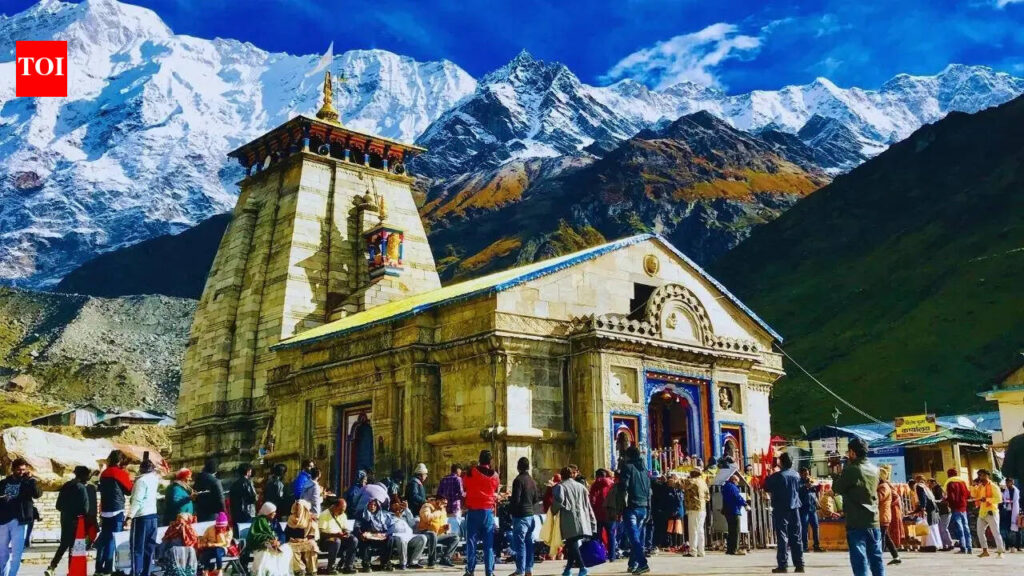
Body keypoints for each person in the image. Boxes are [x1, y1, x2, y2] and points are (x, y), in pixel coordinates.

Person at [833, 437, 884, 576]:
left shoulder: (852, 470)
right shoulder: (875, 469)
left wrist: (836, 474)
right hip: (873, 520)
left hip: (856, 521)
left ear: (853, 452)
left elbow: (837, 488)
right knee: (876, 557)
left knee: (860, 560)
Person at [44, 465, 91, 576]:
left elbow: (58, 505)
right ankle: (71, 571)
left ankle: (52, 567)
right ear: (84, 476)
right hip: (76, 521)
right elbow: (85, 509)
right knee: (73, 547)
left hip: (65, 519)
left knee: (64, 544)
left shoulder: (66, 485)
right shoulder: (81, 488)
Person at [551, 466, 596, 576]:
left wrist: (552, 511)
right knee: (572, 543)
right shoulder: (581, 487)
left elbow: (559, 500)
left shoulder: (561, 487)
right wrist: (592, 521)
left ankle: (582, 567)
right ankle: (567, 570)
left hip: (569, 518)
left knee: (572, 543)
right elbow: (587, 504)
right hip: (582, 518)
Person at [764, 452, 804, 574]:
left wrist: (769, 474)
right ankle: (799, 564)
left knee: (782, 536)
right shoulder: (796, 475)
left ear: (780, 462)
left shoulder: (778, 476)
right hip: (795, 508)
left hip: (781, 508)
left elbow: (767, 487)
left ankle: (783, 564)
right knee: (796, 536)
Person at [0, 457, 41, 576]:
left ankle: (12, 574)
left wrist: (31, 480)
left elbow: (37, 494)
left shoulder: (28, 482)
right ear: (13, 469)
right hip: (3, 520)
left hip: (20, 521)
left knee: (17, 553)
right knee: (2, 552)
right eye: (19, 470)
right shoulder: (4, 483)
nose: (21, 472)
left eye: (23, 470)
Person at [463, 450, 501, 576]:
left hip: (473, 511)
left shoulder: (470, 472)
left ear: (479, 459)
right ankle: (489, 571)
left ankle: (470, 570)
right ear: (490, 461)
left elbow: (465, 486)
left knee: (471, 542)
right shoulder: (495, 475)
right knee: (488, 544)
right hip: (487, 512)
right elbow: (495, 489)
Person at [96, 450, 133, 575]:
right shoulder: (120, 473)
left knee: (104, 539)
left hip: (105, 509)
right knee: (113, 539)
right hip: (117, 510)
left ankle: (98, 569)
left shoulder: (104, 473)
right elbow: (129, 490)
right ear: (119, 461)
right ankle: (108, 569)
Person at [619, 446, 651, 575]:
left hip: (631, 506)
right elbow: (649, 491)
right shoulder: (645, 470)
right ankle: (632, 564)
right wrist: (649, 508)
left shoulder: (627, 467)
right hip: (643, 507)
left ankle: (643, 564)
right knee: (636, 537)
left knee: (634, 538)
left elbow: (623, 487)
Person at [129, 457, 162, 576]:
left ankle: (136, 573)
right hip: (153, 516)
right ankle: (146, 573)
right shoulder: (154, 479)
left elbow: (137, 500)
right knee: (149, 548)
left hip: (141, 517)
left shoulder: (141, 481)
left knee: (137, 549)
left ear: (141, 469)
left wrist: (129, 516)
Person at [509, 457, 539, 576]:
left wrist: (511, 511)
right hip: (530, 515)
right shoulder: (532, 481)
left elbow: (515, 499)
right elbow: (536, 499)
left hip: (520, 516)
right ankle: (528, 569)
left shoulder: (518, 480)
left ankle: (520, 570)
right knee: (529, 543)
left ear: (518, 467)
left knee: (520, 544)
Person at [248, 502, 294, 576]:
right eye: (273, 512)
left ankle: (280, 573)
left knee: (287, 549)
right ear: (267, 512)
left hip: (275, 544)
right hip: (262, 546)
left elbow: (282, 534)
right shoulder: (259, 521)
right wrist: (268, 541)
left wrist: (279, 542)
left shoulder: (275, 521)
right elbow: (254, 536)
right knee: (265, 553)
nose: (275, 514)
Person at [320, 497, 359, 574]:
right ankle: (331, 568)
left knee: (354, 540)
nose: (342, 512)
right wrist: (335, 535)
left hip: (339, 538)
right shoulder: (324, 515)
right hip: (327, 540)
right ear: (335, 506)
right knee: (336, 541)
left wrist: (346, 533)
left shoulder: (343, 514)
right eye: (340, 510)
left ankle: (348, 566)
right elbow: (322, 534)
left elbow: (345, 528)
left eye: (343, 510)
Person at [417, 496, 458, 567]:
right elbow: (426, 518)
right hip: (425, 533)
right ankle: (432, 560)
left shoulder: (443, 510)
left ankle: (445, 558)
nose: (445, 505)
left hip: (438, 534)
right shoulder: (427, 506)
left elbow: (442, 524)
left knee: (455, 537)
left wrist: (446, 528)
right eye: (443, 503)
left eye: (446, 504)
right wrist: (438, 512)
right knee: (432, 534)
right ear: (438, 501)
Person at [972, 469, 1005, 558]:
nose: (981, 477)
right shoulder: (980, 487)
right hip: (982, 512)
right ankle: (985, 551)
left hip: (991, 512)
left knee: (995, 532)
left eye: (983, 475)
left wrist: (987, 499)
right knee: (980, 532)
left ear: (987, 476)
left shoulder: (993, 486)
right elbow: (973, 495)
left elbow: (999, 499)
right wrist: (974, 486)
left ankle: (1000, 552)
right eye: (980, 475)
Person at [387, 498, 427, 569]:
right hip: (396, 535)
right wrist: (396, 517)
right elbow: (386, 525)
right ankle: (403, 563)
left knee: (422, 538)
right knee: (402, 539)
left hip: (409, 535)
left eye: (398, 504)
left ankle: (413, 562)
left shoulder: (405, 513)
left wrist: (406, 509)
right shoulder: (387, 514)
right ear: (391, 506)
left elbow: (412, 523)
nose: (397, 506)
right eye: (394, 505)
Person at [357, 499, 394, 572]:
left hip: (380, 537)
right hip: (368, 537)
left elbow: (392, 527)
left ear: (378, 506)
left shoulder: (384, 515)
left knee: (390, 539)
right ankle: (366, 564)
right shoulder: (362, 515)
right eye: (370, 505)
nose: (372, 506)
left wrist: (385, 534)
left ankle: (385, 563)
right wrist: (361, 534)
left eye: (374, 505)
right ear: (367, 506)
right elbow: (357, 526)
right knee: (363, 539)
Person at [285, 500, 319, 576]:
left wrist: (304, 539)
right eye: (296, 507)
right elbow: (287, 533)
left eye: (299, 508)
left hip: (306, 540)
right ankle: (299, 570)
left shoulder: (310, 519)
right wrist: (291, 539)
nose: (297, 510)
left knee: (312, 546)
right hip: (294, 541)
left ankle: (312, 570)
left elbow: (312, 535)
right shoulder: (291, 518)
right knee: (291, 548)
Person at [875, 466, 901, 565]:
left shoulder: (883, 487)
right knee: (886, 537)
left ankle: (878, 558)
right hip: (882, 515)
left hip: (882, 516)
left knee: (880, 538)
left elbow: (877, 498)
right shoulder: (883, 486)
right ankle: (896, 556)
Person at [682, 469, 709, 558]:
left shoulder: (693, 481)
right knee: (700, 530)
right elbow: (708, 497)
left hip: (694, 508)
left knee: (693, 530)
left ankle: (693, 551)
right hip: (702, 508)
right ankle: (701, 551)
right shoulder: (703, 482)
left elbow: (681, 484)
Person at [588, 469, 613, 561]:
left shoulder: (595, 485)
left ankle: (599, 554)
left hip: (597, 513)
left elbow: (592, 498)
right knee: (610, 534)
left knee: (597, 535)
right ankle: (612, 555)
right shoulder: (611, 484)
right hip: (609, 512)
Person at [943, 468, 970, 554]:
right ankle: (969, 547)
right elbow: (968, 494)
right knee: (966, 527)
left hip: (956, 508)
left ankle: (963, 547)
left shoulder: (950, 483)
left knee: (959, 528)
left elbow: (951, 497)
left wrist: (946, 501)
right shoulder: (963, 482)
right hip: (964, 507)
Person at [721, 471, 747, 556]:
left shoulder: (725, 486)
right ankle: (735, 549)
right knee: (735, 531)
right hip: (734, 510)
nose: (737, 484)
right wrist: (745, 504)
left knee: (731, 530)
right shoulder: (732, 487)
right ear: (734, 480)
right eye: (737, 482)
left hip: (727, 510)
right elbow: (737, 497)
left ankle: (730, 549)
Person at [798, 468, 823, 553]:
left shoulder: (811, 481)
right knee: (804, 528)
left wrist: (817, 502)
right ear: (801, 474)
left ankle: (816, 546)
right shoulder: (799, 482)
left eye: (807, 474)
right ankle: (804, 546)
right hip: (804, 508)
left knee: (815, 526)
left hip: (812, 508)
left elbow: (814, 493)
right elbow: (798, 491)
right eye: (805, 474)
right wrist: (805, 486)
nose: (807, 476)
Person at [603, 471, 626, 561]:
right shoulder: (618, 487)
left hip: (612, 512)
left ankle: (612, 554)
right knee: (614, 533)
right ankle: (613, 554)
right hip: (615, 512)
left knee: (612, 533)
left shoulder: (615, 486)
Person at [230, 464, 258, 530]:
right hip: (248, 512)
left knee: (238, 530)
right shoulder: (248, 482)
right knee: (247, 530)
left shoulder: (234, 484)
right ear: (247, 471)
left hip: (236, 512)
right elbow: (253, 497)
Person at [928, 479, 953, 551]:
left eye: (930, 484)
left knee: (943, 529)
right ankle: (945, 545)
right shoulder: (934, 489)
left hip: (945, 511)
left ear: (934, 483)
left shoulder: (939, 489)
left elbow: (943, 500)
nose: (929, 485)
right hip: (941, 512)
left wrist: (934, 501)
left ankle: (949, 544)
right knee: (941, 529)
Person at [1001, 477, 1021, 552]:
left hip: (1015, 511)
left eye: (1008, 482)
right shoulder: (1005, 490)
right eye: (1006, 482)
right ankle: (1008, 546)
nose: (1007, 484)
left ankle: (1017, 546)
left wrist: (1009, 501)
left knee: (1016, 529)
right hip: (1007, 511)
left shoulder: (1016, 491)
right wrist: (1007, 501)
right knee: (1007, 528)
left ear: (1012, 482)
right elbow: (1004, 499)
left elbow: (1016, 501)